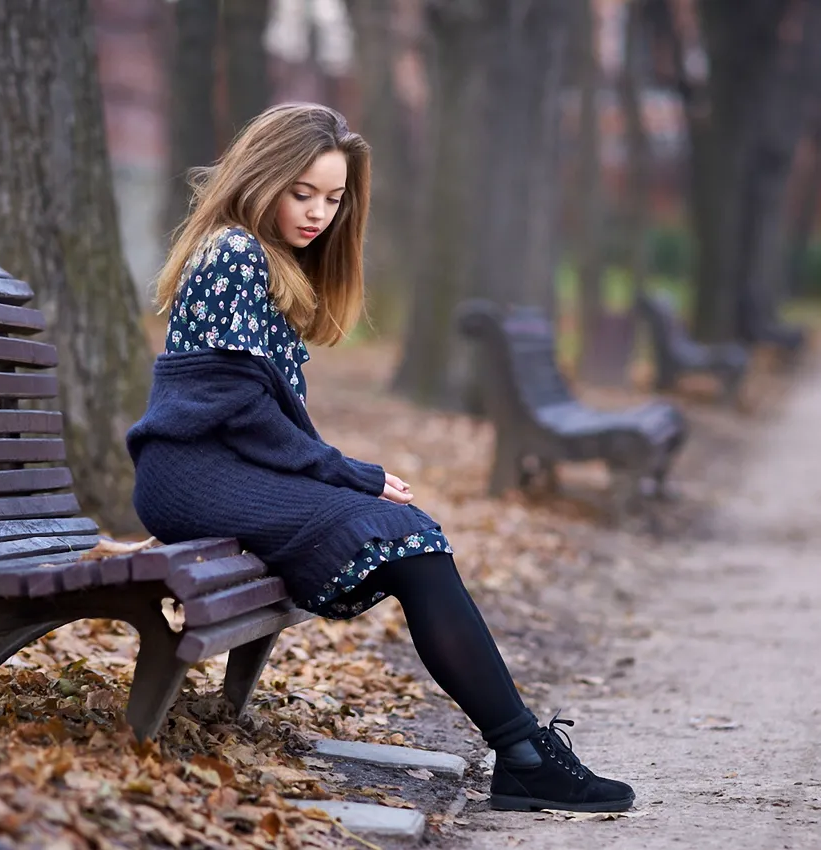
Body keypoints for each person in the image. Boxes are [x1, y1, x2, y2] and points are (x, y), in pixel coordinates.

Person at [125, 102, 634, 814]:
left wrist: (340, 473)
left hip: (225, 467)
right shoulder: (233, 252)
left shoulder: (265, 262)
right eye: (300, 192)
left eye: (333, 199)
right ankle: (523, 755)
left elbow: (256, 416)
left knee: (412, 537)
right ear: (259, 176)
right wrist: (346, 471)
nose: (317, 214)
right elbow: (240, 412)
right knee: (405, 538)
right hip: (195, 473)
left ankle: (521, 753)